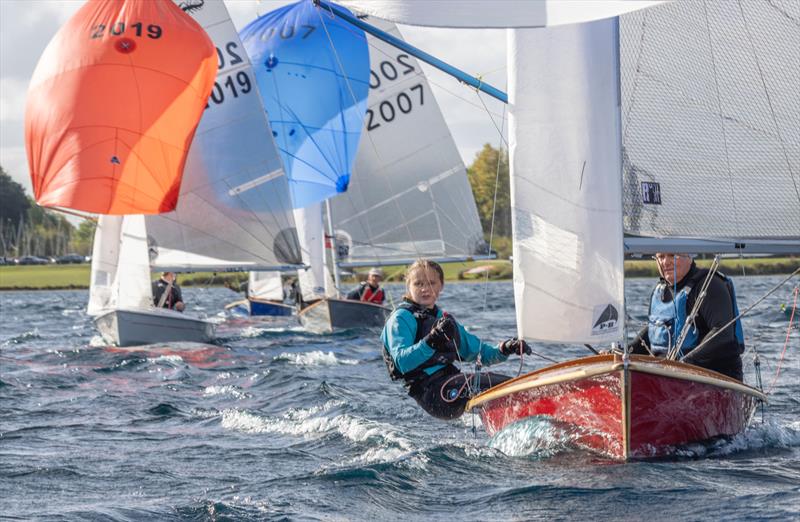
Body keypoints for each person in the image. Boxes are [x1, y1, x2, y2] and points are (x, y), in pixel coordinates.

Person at [381, 259, 531, 419]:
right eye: (418, 284)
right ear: (409, 286)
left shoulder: (442, 319)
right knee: (512, 388)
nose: (425, 289)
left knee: (510, 385)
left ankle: (520, 420)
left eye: (431, 283)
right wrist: (431, 341)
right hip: (433, 394)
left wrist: (505, 348)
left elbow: (480, 353)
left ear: (441, 286)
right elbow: (402, 362)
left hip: (451, 382)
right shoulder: (401, 318)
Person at [627, 253, 745, 380]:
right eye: (660, 257)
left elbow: (722, 333)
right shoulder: (660, 290)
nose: (665, 262)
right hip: (667, 376)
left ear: (689, 256)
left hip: (714, 377)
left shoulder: (710, 285)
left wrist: (684, 364)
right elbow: (653, 332)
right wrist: (624, 352)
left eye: (672, 256)